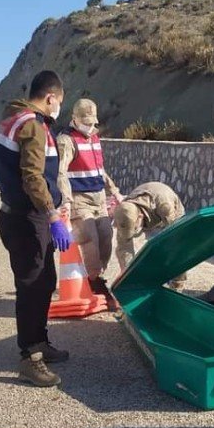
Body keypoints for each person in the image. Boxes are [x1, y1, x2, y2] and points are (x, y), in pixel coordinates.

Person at [0, 70, 73, 387]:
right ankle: (30, 357)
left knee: (44, 281)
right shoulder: (33, 126)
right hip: (27, 219)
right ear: (51, 97)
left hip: (23, 216)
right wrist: (53, 216)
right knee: (31, 286)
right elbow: (33, 178)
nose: (58, 109)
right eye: (59, 102)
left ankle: (40, 342)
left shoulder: (14, 117)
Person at [56, 99, 124, 307]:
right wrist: (65, 200)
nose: (89, 126)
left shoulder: (94, 138)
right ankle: (94, 281)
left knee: (106, 235)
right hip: (79, 198)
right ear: (74, 119)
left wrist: (115, 192)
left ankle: (95, 276)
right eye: (85, 122)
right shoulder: (66, 140)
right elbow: (61, 172)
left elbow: (100, 171)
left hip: (99, 198)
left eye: (92, 122)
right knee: (89, 237)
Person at [113, 182, 187, 291]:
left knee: (175, 248)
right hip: (147, 216)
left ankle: (177, 285)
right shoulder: (125, 211)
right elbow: (124, 247)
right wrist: (128, 275)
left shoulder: (165, 206)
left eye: (134, 228)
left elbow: (175, 236)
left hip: (169, 217)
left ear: (140, 217)